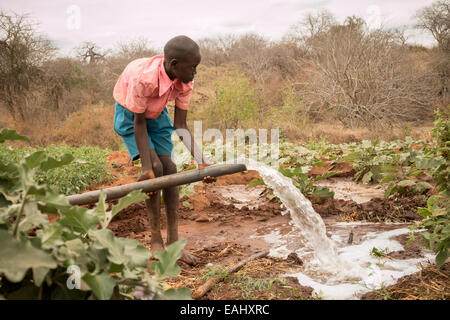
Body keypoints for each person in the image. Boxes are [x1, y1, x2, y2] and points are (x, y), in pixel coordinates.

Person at [113, 35, 211, 265]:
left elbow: (181, 125)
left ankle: (174, 245)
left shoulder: (185, 82)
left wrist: (202, 161)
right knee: (155, 169)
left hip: (156, 112)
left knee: (170, 168)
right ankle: (156, 242)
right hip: (131, 113)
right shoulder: (144, 79)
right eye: (193, 67)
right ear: (174, 64)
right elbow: (139, 124)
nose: (196, 71)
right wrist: (147, 168)